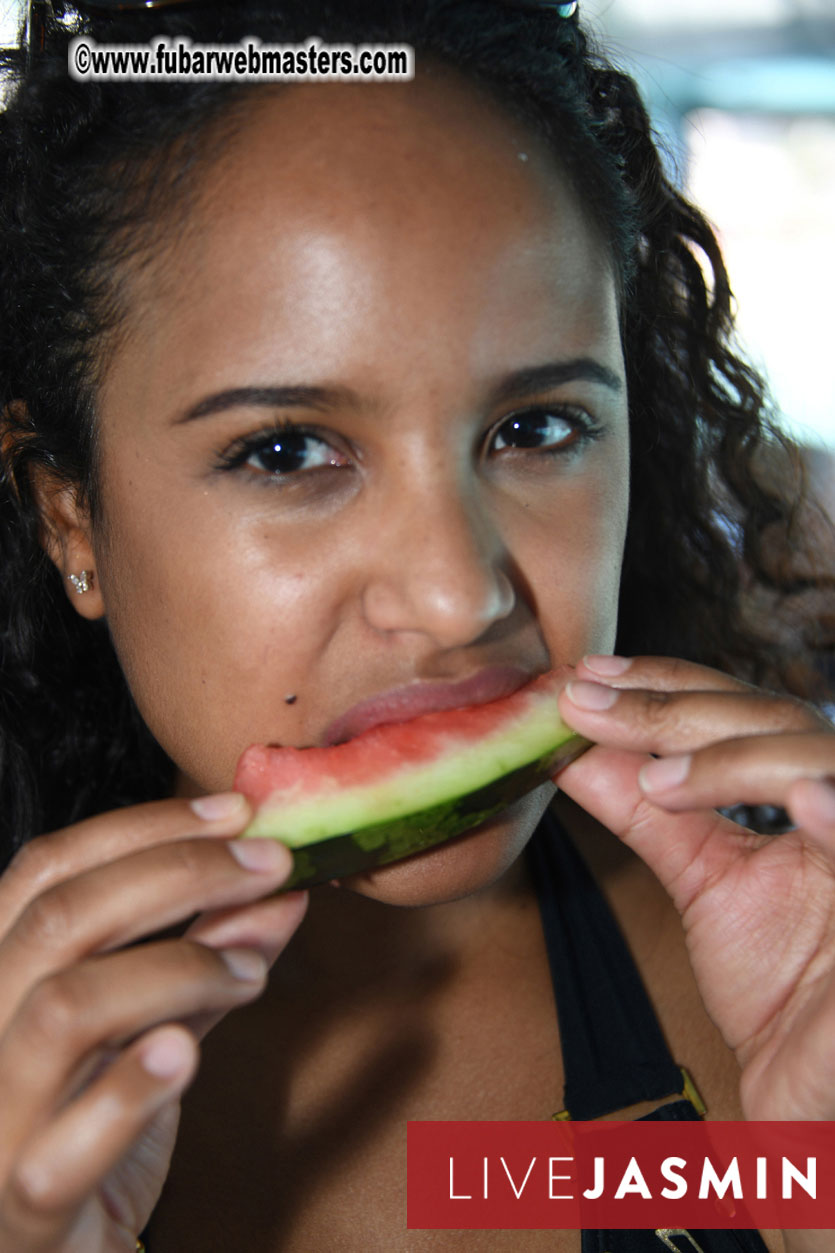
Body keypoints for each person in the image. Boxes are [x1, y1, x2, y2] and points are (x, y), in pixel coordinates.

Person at [0, 1, 833, 1250]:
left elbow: (489, 1182)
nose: (459, 598)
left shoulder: (773, 981)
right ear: (72, 517)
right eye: (286, 451)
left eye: (535, 428)